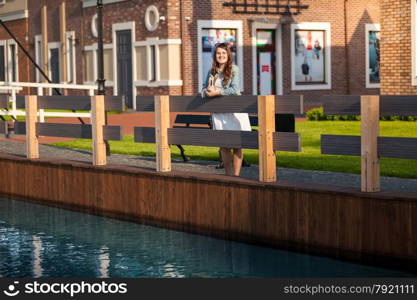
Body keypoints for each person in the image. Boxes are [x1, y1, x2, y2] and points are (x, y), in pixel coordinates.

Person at [201, 43, 251, 176]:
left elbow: (235, 89)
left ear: (228, 55)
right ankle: (229, 177)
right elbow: (204, 88)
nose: (221, 55)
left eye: (223, 53)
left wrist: (217, 92)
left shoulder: (234, 69)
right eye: (218, 53)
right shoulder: (211, 71)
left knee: (237, 146)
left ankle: (236, 176)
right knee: (223, 146)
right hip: (219, 113)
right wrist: (206, 92)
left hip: (234, 111)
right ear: (215, 55)